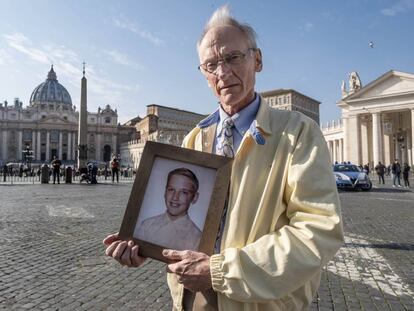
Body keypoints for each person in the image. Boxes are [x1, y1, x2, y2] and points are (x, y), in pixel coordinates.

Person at [103, 6, 343, 310]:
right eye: (211, 64)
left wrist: (220, 272)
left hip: (260, 303)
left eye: (233, 58)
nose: (223, 72)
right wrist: (145, 247)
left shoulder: (299, 134)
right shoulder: (194, 139)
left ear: (257, 60)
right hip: (192, 301)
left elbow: (318, 230)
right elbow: (181, 229)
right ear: (203, 74)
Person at [135, 168, 202, 251]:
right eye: (171, 190)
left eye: (184, 192)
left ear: (194, 198)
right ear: (165, 192)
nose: (175, 197)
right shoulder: (146, 226)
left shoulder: (198, 238)